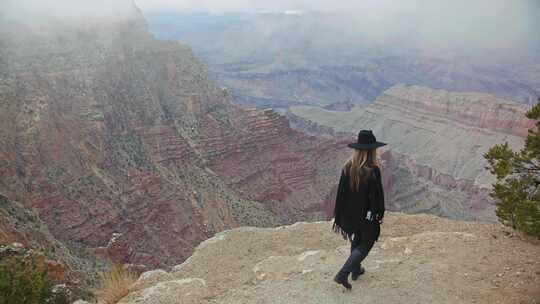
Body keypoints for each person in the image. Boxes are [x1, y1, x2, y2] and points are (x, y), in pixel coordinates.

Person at [332, 129, 386, 290]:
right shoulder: (372, 170)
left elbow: (341, 193)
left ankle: (356, 269)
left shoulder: (347, 167)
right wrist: (378, 214)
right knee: (366, 243)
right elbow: (377, 197)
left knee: (356, 239)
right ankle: (343, 273)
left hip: (349, 215)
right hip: (366, 216)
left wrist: (340, 215)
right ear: (371, 151)